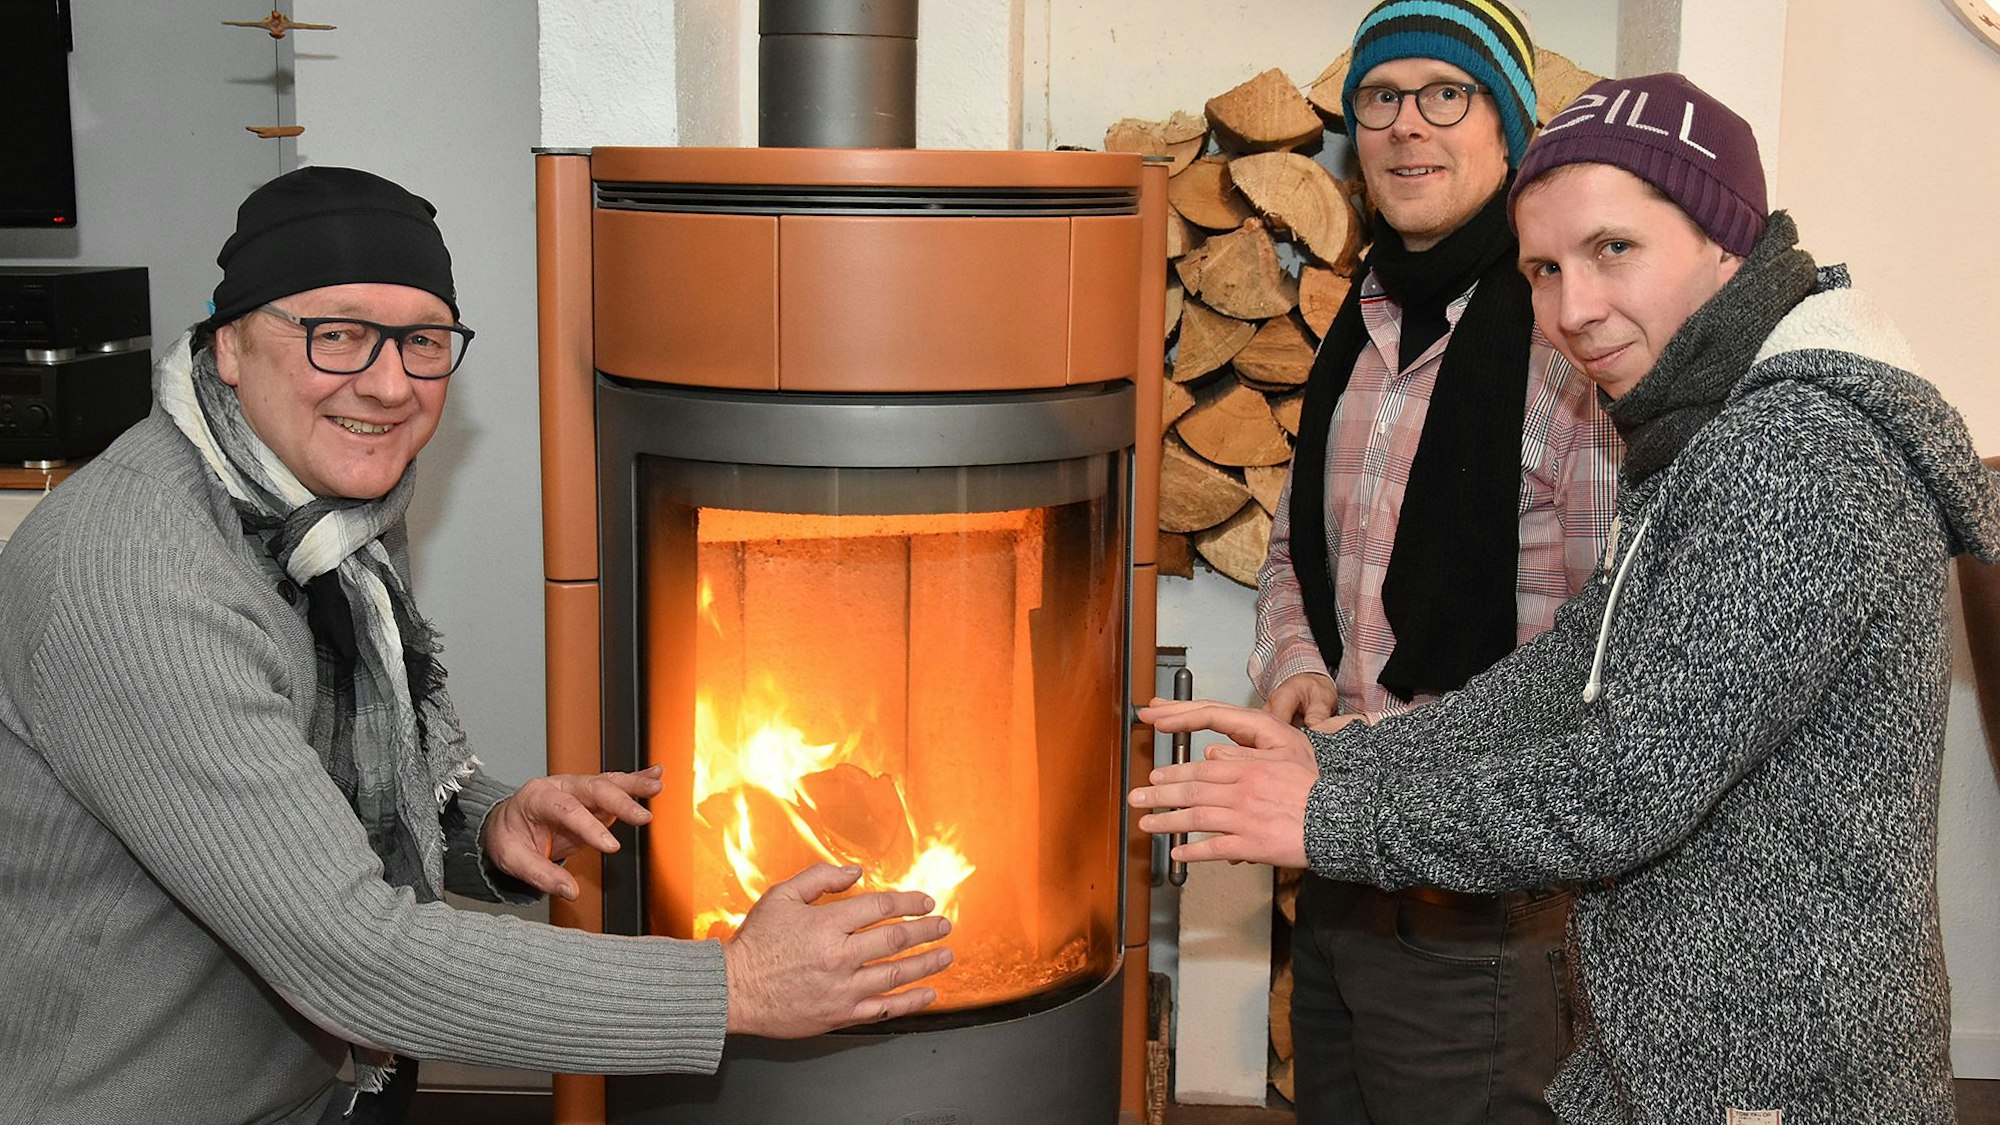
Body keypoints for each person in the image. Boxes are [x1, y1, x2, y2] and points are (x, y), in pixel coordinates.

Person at [0, 166, 953, 1125]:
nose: (388, 383)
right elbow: (349, 955)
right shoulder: (134, 577)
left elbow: (308, 774)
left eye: (423, 341)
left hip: (317, 1087)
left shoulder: (321, 511)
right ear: (231, 344)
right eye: (337, 333)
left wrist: (476, 825)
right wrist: (734, 987)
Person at [1137, 72, 1998, 1123]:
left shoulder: (1791, 451)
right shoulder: (1702, 427)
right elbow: (1571, 667)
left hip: (1776, 1072)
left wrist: (1333, 814)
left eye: (1612, 249)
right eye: (1542, 269)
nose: (1570, 311)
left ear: (1726, 240)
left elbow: (1627, 781)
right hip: (1690, 1046)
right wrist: (1345, 759)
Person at [1249, 2, 1620, 1120]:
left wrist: (1396, 754)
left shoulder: (1568, 347)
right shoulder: (1355, 325)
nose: (1406, 124)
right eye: (1379, 97)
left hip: (1479, 912)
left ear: (1507, 129)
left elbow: (1597, 659)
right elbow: (1291, 545)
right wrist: (1295, 663)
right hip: (1336, 872)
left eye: (1446, 94)